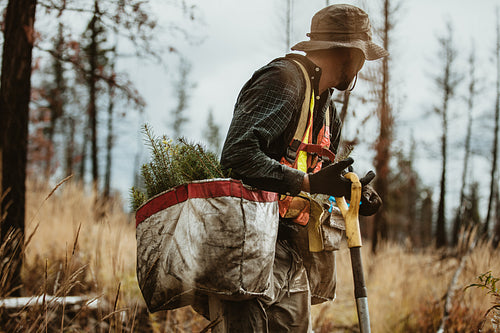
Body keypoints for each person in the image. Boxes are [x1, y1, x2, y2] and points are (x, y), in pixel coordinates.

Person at [216, 4, 388, 332]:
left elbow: (320, 175)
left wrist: (355, 192)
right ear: (349, 52)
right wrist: (307, 183)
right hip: (250, 249)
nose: (362, 65)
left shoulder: (327, 111)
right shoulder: (283, 80)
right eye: (362, 55)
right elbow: (237, 154)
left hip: (291, 251)